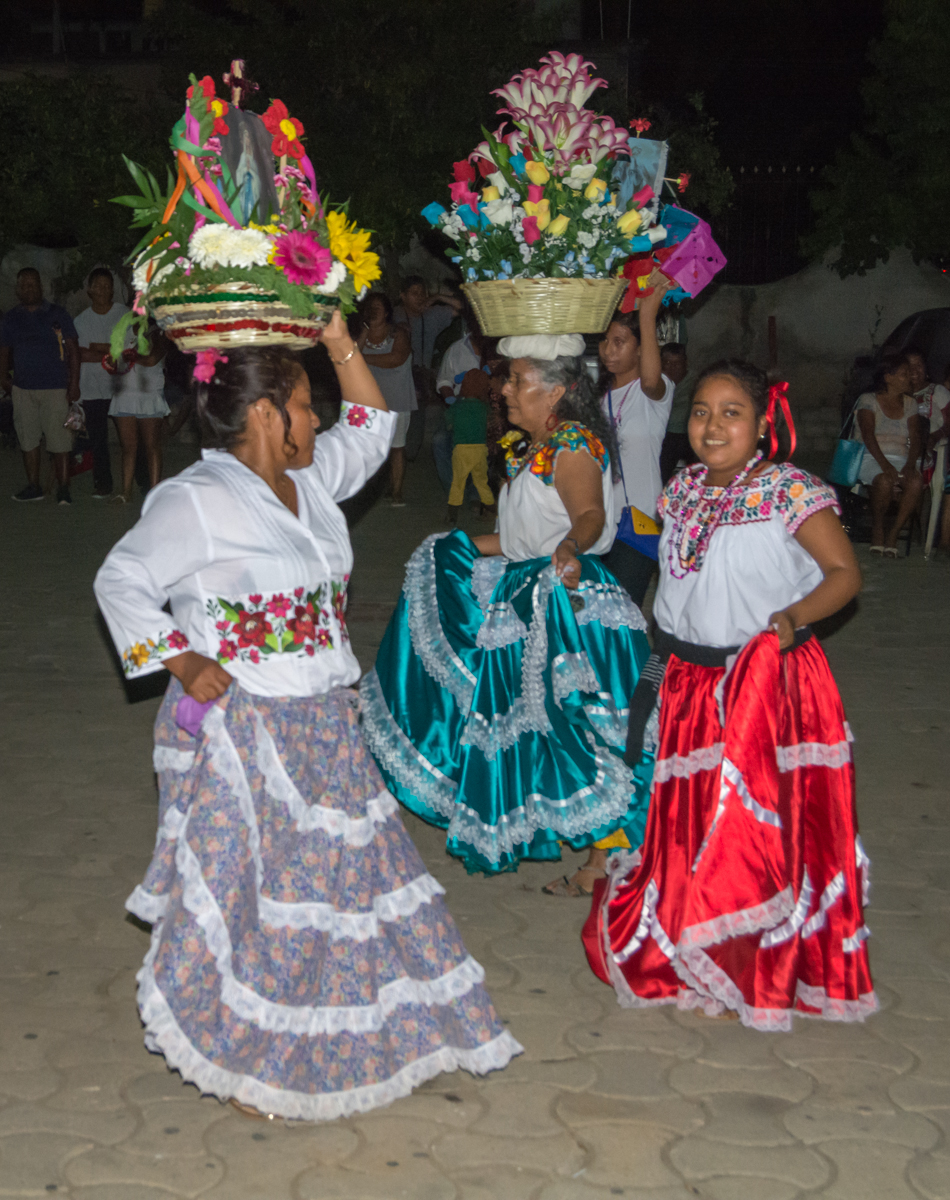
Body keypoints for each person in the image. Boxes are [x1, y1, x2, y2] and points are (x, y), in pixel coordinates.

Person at [93, 312, 521, 1121]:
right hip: (247, 732)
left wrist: (335, 340)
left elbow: (374, 423)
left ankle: (324, 1033)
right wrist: (182, 659)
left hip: (325, 723)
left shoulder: (312, 479)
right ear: (264, 415)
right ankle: (246, 1055)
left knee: (336, 891)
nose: (316, 421)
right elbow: (121, 580)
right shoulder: (197, 499)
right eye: (300, 406)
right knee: (260, 901)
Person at [583, 359, 877, 1029]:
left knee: (749, 832)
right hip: (688, 681)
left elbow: (844, 573)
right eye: (701, 412)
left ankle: (752, 965)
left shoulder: (791, 492)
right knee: (692, 823)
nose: (712, 427)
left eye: (731, 413)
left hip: (763, 683)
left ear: (764, 423)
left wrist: (792, 619)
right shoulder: (682, 489)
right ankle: (692, 950)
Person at [360, 334, 655, 897]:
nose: (505, 390)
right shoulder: (539, 448)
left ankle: (609, 856)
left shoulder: (573, 444)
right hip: (530, 591)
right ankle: (600, 851)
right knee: (548, 724)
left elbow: (589, 514)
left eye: (518, 380)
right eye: (509, 379)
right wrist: (455, 546)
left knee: (578, 725)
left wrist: (570, 548)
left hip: (564, 598)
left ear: (557, 392)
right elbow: (520, 538)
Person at [599, 274, 675, 607]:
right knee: (599, 610)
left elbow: (650, 379)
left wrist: (647, 314)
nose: (608, 349)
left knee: (623, 609)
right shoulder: (600, 400)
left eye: (619, 341)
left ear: (642, 349)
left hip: (641, 520)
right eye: (605, 340)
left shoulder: (654, 394)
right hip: (602, 520)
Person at [0, 267, 80, 504]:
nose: (29, 288)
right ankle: (34, 486)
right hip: (23, 389)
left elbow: (74, 350)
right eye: (24, 285)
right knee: (28, 440)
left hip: (55, 387)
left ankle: (63, 488)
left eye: (33, 284)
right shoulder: (11, 318)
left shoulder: (58, 314)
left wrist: (74, 383)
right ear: (17, 289)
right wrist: (3, 378)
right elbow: (3, 351)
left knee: (60, 441)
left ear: (40, 287)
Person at [853, 353, 922, 555]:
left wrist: (910, 465)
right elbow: (868, 436)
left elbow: (916, 438)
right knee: (884, 480)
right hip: (870, 456)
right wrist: (886, 466)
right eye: (904, 374)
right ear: (888, 377)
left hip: (900, 458)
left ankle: (894, 533)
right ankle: (878, 528)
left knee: (915, 482)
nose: (909, 377)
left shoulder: (910, 404)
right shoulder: (868, 400)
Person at [394, 276, 462, 465]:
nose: (420, 297)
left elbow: (463, 307)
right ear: (403, 296)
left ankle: (405, 457)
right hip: (396, 377)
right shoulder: (395, 314)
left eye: (422, 293)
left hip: (419, 379)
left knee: (414, 431)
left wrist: (437, 297)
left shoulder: (432, 314)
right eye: (414, 293)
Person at [74, 267, 129, 499]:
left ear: (112, 290)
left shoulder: (124, 315)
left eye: (107, 286)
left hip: (122, 388)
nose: (103, 290)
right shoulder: (81, 320)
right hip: (92, 388)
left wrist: (97, 348)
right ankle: (103, 483)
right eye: (98, 285)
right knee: (98, 440)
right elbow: (80, 354)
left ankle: (141, 480)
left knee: (129, 440)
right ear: (89, 290)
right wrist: (110, 351)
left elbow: (127, 350)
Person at [358, 291, 415, 507]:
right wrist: (364, 332)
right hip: (368, 401)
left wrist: (362, 358)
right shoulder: (362, 335)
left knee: (396, 447)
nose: (373, 312)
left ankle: (397, 492)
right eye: (369, 308)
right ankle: (367, 492)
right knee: (367, 448)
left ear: (387, 313)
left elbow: (396, 358)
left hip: (397, 399)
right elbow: (349, 358)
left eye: (377, 308)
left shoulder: (398, 334)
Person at [109, 321, 170, 503]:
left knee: (152, 446)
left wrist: (130, 357)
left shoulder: (159, 334)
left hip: (149, 395)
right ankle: (125, 492)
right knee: (128, 447)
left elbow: (152, 360)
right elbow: (114, 359)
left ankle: (155, 492)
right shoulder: (123, 331)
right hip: (125, 395)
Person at [445, 364, 495, 524]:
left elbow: (449, 423)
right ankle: (493, 509)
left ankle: (452, 515)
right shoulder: (484, 407)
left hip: (461, 449)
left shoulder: (457, 406)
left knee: (458, 482)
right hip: (480, 449)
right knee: (481, 482)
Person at [906, 347, 950, 479]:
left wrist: (934, 437)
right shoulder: (897, 395)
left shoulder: (937, 391)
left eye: (918, 365)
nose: (914, 370)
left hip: (932, 448)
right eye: (909, 366)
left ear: (925, 368)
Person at [658, 342, 697, 484]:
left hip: (689, 436)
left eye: (677, 363)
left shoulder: (696, 383)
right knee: (660, 475)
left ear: (685, 363)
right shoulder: (657, 383)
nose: (672, 367)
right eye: (667, 363)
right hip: (665, 436)